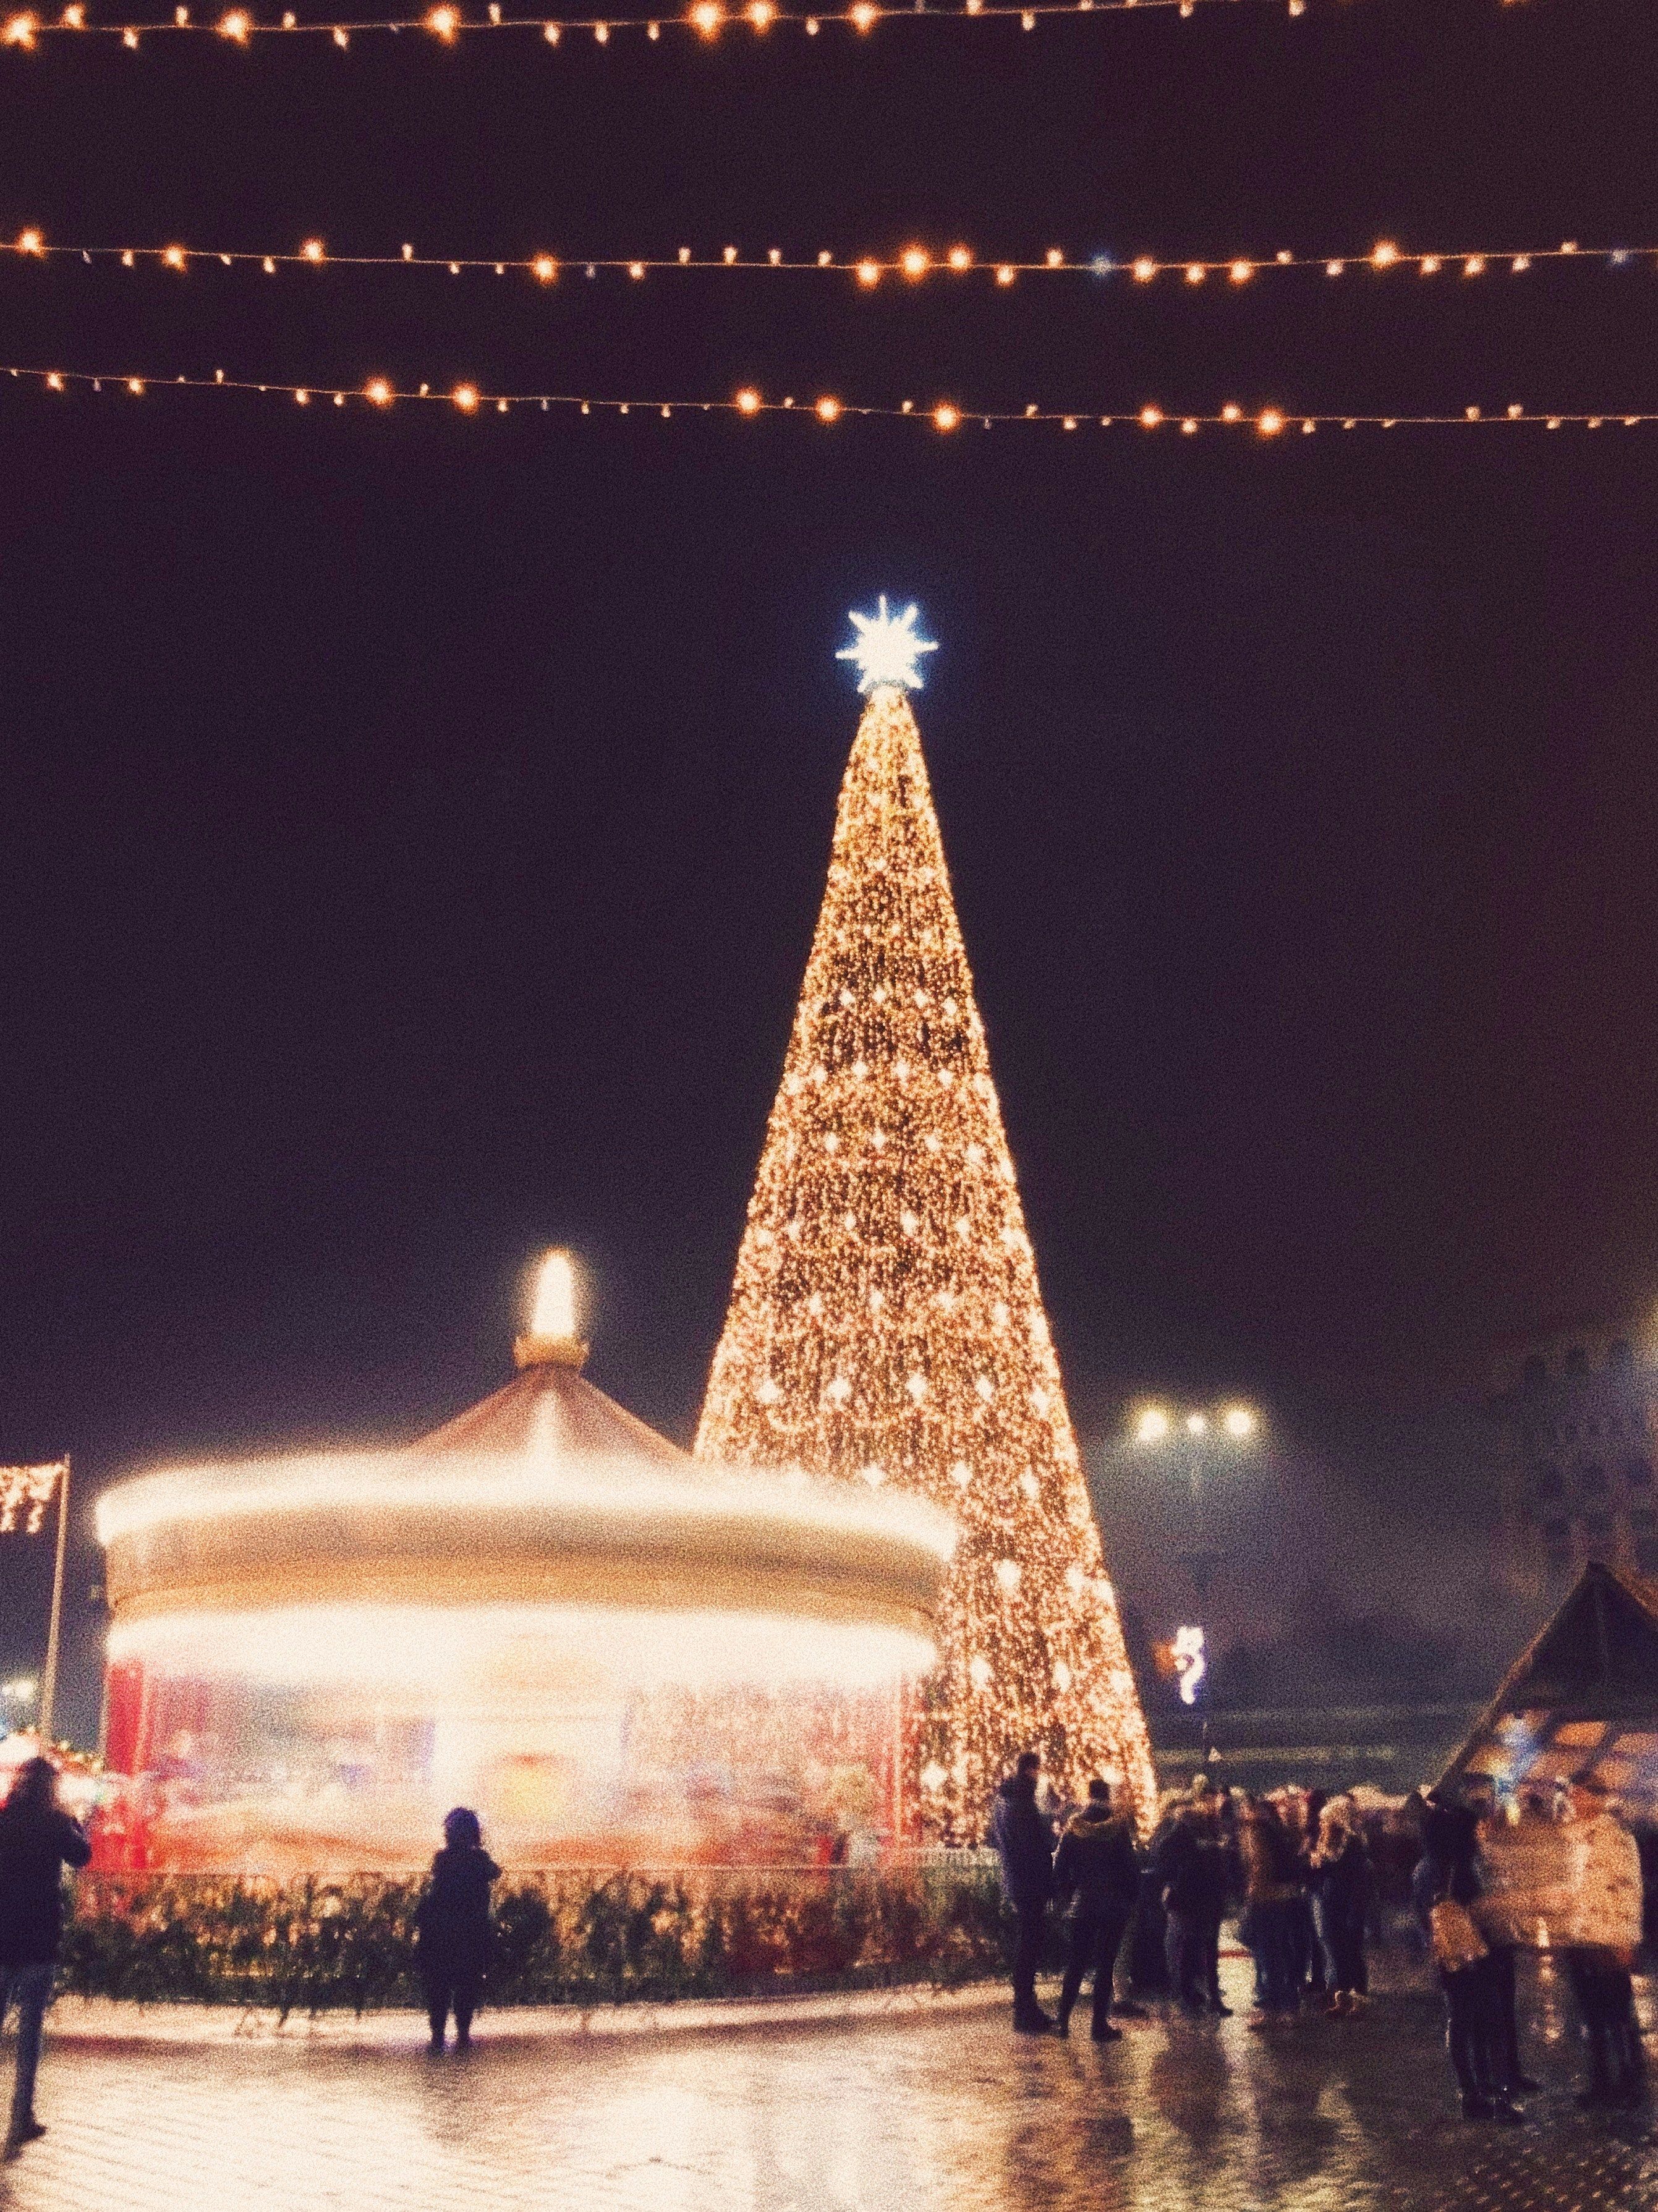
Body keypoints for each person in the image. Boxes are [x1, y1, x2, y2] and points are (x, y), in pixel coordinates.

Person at [0, 1756, 92, 2158]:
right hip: (39, 1936)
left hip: (3, 1933)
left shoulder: (4, 1820)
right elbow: (82, 1856)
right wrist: (76, 1820)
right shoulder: (56, 1821)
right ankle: (21, 2116)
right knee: (30, 2029)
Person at [1412, 1798, 1522, 2124]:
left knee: (1459, 2023)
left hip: (1446, 1957)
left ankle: (1470, 2094)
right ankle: (1500, 2098)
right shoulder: (1462, 1868)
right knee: (1491, 2025)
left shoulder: (1424, 1869)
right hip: (1477, 1956)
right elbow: (1481, 1912)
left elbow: (1424, 1917)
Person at [1561, 1775, 1646, 2109]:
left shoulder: (1614, 1836)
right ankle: (1601, 2081)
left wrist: (1626, 1939)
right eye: (1572, 1795)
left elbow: (1629, 1889)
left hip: (1607, 1939)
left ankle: (1627, 2081)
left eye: (1581, 1795)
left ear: (1598, 1798)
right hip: (1581, 1935)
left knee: (1616, 2013)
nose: (1575, 1801)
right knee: (1592, 2015)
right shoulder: (1575, 1836)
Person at [1051, 1779, 1141, 2041]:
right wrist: (1131, 1897)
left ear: (1088, 1796)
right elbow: (1130, 1869)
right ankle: (1098, 2025)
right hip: (1113, 1907)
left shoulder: (1074, 1829)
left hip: (1084, 1905)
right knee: (1105, 1966)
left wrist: (1067, 1896)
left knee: (1076, 1964)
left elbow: (1060, 1871)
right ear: (1108, 1796)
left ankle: (1063, 2020)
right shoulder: (1118, 1830)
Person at [414, 1806, 501, 2051]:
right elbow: (494, 1872)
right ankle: (462, 2033)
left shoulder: (443, 1859)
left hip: (440, 1934)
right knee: (466, 1986)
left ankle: (438, 2035)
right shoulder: (479, 1861)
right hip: (470, 1934)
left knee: (438, 1988)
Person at [988, 1750, 1056, 2033]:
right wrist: (1049, 1832)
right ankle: (1025, 2008)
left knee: (1027, 1941)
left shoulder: (1005, 1801)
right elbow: (1036, 1844)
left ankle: (1026, 2005)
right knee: (1030, 1943)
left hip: (1018, 1881)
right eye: (1038, 1771)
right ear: (1031, 1770)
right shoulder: (1022, 1802)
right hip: (1030, 1882)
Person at [1239, 1795, 1303, 2025]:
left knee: (1266, 1953)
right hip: (1283, 1896)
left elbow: (1260, 1865)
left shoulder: (1254, 1831)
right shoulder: (1276, 1829)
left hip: (1265, 1897)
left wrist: (1251, 1897)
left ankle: (1271, 2009)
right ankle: (1289, 2005)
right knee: (1281, 1950)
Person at [1309, 1797, 1371, 2017]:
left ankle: (1359, 2000)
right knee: (1337, 1953)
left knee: (1352, 1952)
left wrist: (1322, 1863)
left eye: (1325, 1820)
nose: (1322, 1824)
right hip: (1331, 1904)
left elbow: (1356, 1880)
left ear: (1336, 1820)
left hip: (1348, 1906)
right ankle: (1343, 1998)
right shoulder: (1327, 1844)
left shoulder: (1352, 1845)